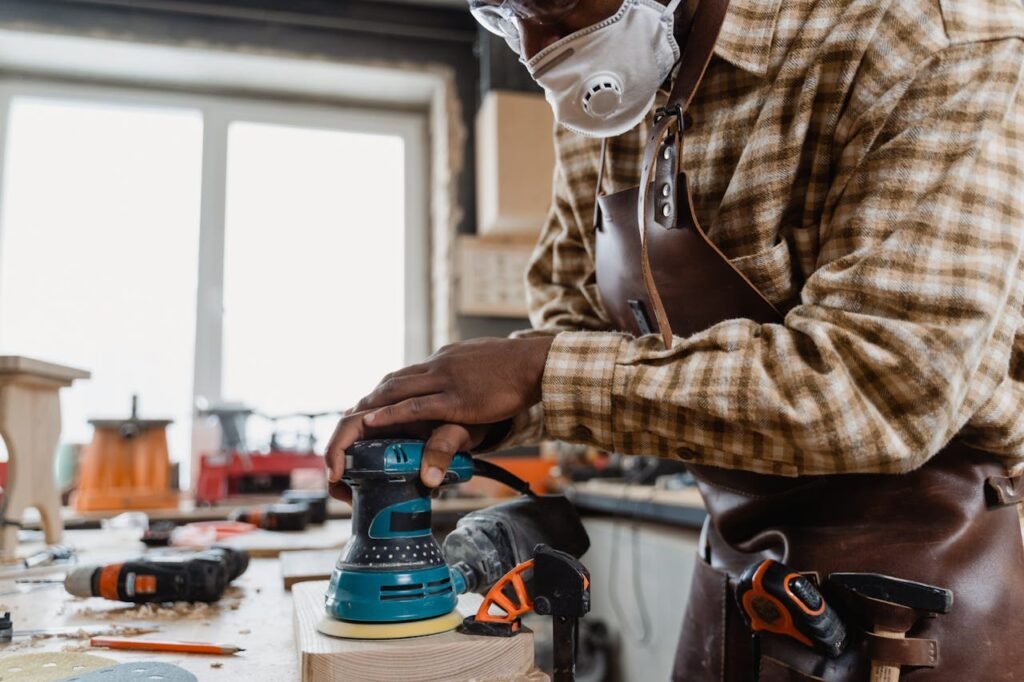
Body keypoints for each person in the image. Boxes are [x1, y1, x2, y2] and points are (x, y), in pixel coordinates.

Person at [328, 0, 1024, 678]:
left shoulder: (924, 34)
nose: (537, 52)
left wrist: (543, 373)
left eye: (557, 4)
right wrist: (480, 407)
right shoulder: (605, 82)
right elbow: (576, 324)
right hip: (736, 571)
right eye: (504, 14)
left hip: (906, 596)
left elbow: (880, 388)